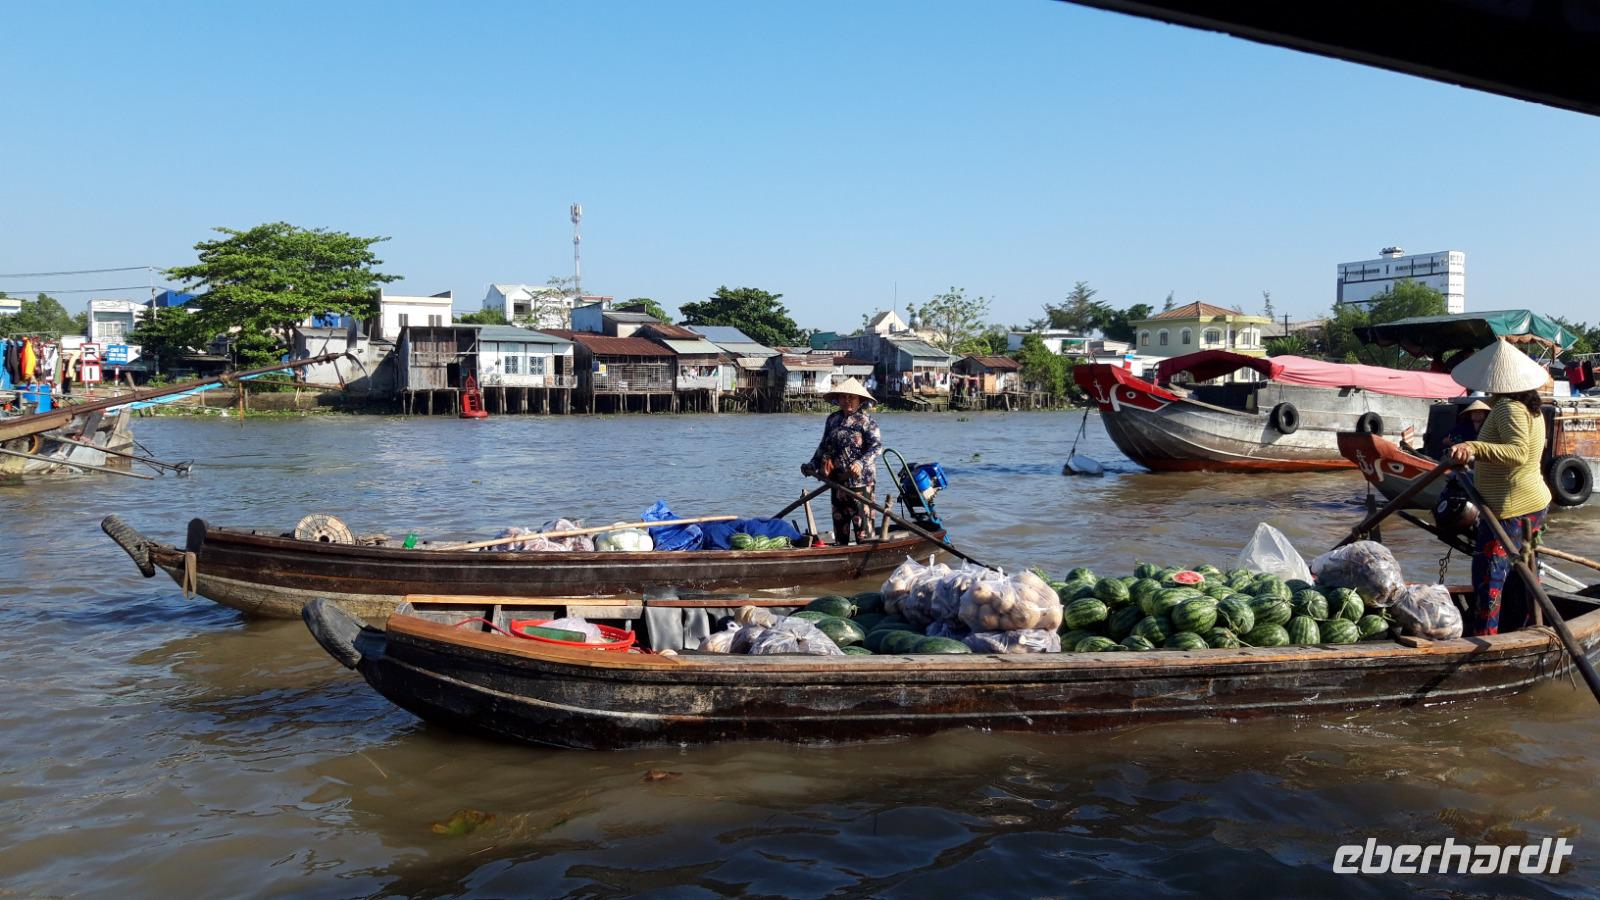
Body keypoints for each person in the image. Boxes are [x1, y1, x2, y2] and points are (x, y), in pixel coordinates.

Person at [1445, 340, 1552, 635]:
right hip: (1533, 504)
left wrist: (1474, 446)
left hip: (1510, 510)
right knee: (1524, 572)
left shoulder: (1507, 407)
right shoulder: (1532, 407)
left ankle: (1487, 639)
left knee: (1489, 576)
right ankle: (1526, 627)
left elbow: (1517, 454)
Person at [800, 377, 883, 544]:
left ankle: (865, 558)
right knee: (840, 528)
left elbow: (876, 447)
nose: (847, 401)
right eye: (843, 397)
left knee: (863, 531)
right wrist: (811, 465)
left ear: (860, 400)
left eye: (851, 397)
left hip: (860, 484)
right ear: (838, 399)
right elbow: (823, 447)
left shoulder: (866, 422)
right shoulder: (833, 420)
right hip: (837, 483)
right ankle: (841, 553)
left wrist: (860, 463)